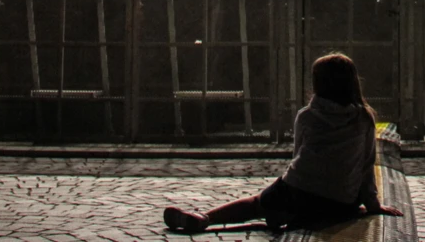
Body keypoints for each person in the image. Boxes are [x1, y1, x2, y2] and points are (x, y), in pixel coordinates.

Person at [163, 53, 402, 233]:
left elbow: (298, 156)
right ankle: (300, 217)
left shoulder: (307, 116)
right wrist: (372, 204)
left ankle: (205, 218)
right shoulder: (363, 118)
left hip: (297, 190)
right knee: (346, 208)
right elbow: (366, 164)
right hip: (338, 202)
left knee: (256, 203)